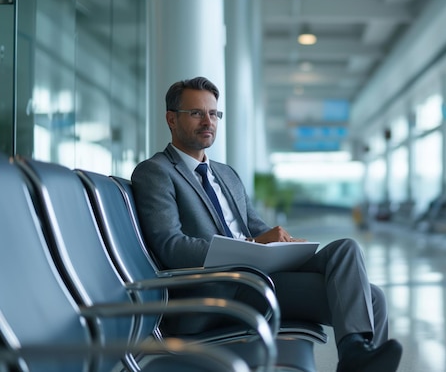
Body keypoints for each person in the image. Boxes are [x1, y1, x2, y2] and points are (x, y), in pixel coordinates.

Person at [131, 76, 402, 372]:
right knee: (372, 299)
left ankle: (354, 353)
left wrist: (285, 244)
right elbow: (171, 247)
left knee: (348, 252)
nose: (208, 121)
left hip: (259, 272)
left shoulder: (226, 174)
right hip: (224, 287)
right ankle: (354, 356)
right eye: (196, 113)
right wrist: (250, 246)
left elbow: (257, 228)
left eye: (213, 113)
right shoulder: (155, 173)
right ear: (171, 119)